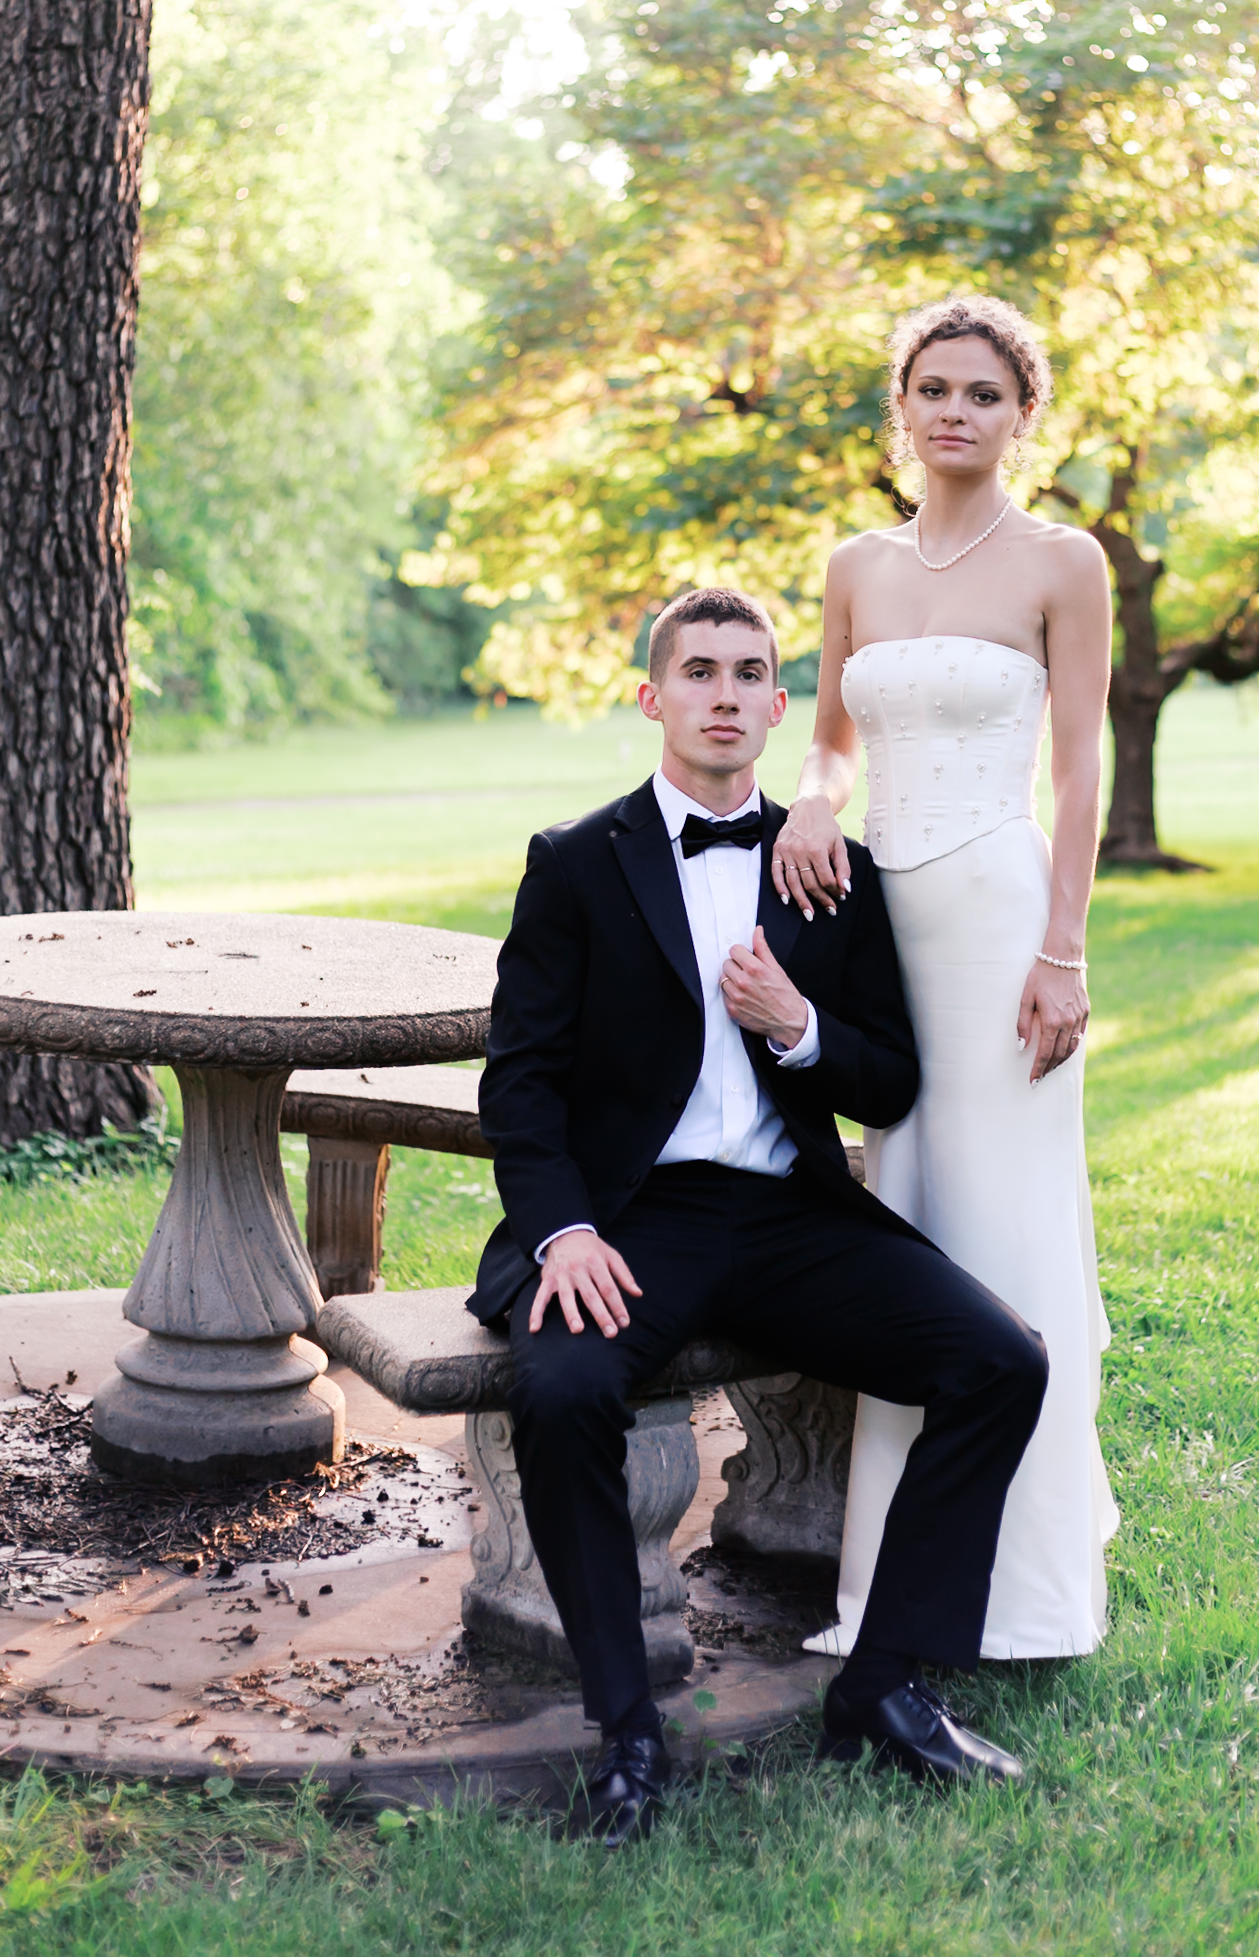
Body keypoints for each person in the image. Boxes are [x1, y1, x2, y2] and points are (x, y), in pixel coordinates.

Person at [472, 585, 1049, 1844]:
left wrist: (796, 1027)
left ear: (781, 707)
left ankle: (884, 1686)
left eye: (749, 674)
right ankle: (627, 1732)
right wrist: (562, 1233)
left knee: (1000, 1361)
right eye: (699, 672)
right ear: (654, 698)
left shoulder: (829, 871)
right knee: (564, 1392)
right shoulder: (576, 862)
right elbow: (518, 1082)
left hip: (791, 1216)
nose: (724, 694)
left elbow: (888, 1075)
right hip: (632, 1218)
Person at [772, 294, 1119, 1664]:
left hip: (1000, 923)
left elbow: (1082, 768)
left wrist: (1063, 950)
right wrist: (810, 801)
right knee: (906, 1225)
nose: (955, 411)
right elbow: (833, 743)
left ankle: (1022, 1594)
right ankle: (891, 1577)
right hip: (881, 929)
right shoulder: (857, 564)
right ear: (900, 407)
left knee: (1002, 1229)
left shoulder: (1061, 562)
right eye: (933, 388)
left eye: (983, 392)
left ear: (1021, 414)